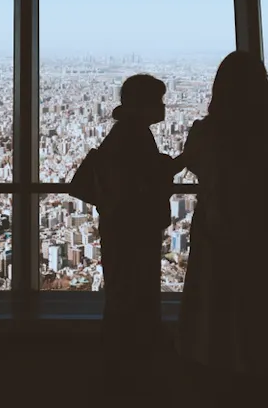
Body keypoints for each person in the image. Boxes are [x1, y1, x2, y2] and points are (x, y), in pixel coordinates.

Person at [176, 51, 268, 407]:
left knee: (219, 307)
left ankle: (218, 375)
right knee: (265, 306)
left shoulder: (204, 132)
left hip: (218, 232)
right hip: (266, 233)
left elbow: (195, 163)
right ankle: (266, 374)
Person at [92, 74, 186, 397]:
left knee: (124, 303)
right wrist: (184, 161)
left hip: (124, 234)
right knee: (132, 303)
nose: (163, 106)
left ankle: (119, 379)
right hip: (132, 237)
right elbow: (144, 179)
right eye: (158, 101)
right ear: (143, 105)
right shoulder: (133, 136)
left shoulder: (128, 133)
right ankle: (128, 383)